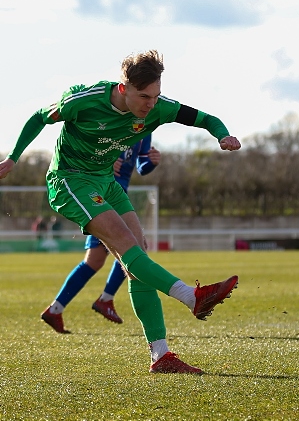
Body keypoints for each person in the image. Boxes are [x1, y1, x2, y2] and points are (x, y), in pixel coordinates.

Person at [0, 50, 241, 374]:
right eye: (144, 97)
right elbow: (38, 118)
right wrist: (13, 158)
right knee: (126, 243)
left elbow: (205, 119)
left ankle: (161, 355)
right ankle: (190, 296)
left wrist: (222, 135)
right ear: (123, 88)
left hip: (107, 182)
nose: (150, 104)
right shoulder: (82, 100)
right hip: (71, 180)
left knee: (137, 253)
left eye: (155, 96)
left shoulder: (159, 108)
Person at [42, 135, 160, 329]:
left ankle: (56, 309)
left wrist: (151, 162)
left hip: (118, 196)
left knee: (95, 259)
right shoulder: (113, 120)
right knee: (134, 247)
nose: (150, 106)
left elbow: (141, 166)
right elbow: (84, 146)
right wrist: (100, 163)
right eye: (146, 102)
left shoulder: (144, 130)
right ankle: (105, 299)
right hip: (98, 196)